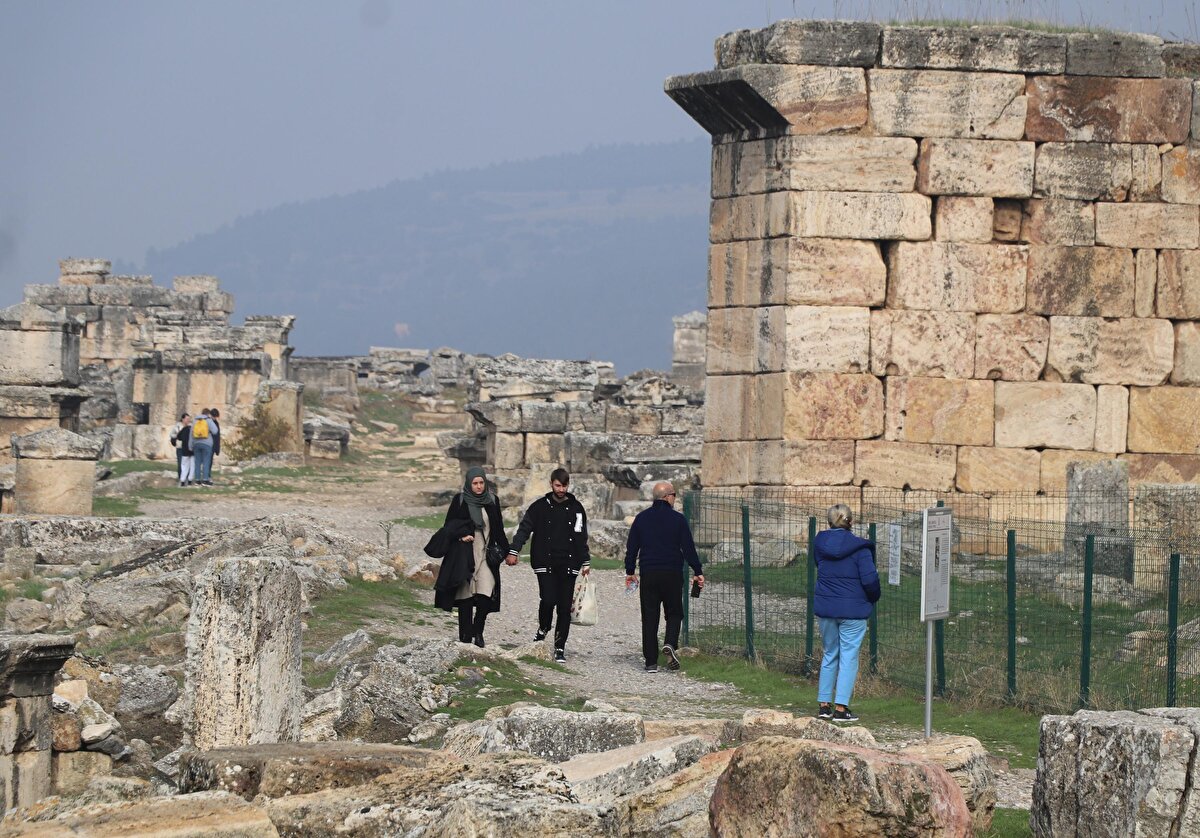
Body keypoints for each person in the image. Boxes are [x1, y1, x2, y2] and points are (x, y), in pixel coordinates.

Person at [508, 468, 590, 663]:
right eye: (558, 485)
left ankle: (560, 646)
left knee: (563, 607)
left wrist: (585, 561)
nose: (561, 489)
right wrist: (514, 550)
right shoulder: (539, 507)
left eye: (564, 486)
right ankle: (543, 627)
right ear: (551, 484)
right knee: (548, 599)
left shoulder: (577, 508)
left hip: (569, 561)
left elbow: (581, 536)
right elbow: (525, 528)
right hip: (545, 561)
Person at [624, 482, 704, 673]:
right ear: (668, 496)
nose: (675, 499)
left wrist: (630, 571)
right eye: (674, 495)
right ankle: (669, 643)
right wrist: (697, 570)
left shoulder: (641, 519)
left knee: (650, 617)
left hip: (649, 573)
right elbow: (688, 548)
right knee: (675, 612)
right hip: (672, 573)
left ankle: (651, 661)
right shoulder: (678, 519)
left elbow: (632, 548)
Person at [813, 503, 881, 724]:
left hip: (827, 608)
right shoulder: (861, 549)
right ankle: (841, 708)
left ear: (829, 522)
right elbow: (870, 580)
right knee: (849, 656)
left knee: (830, 653)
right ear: (851, 522)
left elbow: (819, 566)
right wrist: (872, 598)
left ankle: (824, 705)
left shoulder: (819, 543)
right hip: (853, 610)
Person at [432, 467, 512, 647]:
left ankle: (478, 630)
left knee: (486, 591)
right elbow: (449, 527)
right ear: (469, 483)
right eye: (475, 483)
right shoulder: (460, 501)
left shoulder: (492, 500)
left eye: (481, 483)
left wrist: (509, 552)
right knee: (465, 596)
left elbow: (498, 529)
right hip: (464, 554)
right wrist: (461, 536)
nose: (478, 487)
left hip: (485, 553)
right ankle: (465, 635)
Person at [191, 409, 215, 487]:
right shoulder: (208, 420)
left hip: (196, 443)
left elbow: (191, 434)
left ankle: (197, 480)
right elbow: (215, 431)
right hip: (207, 443)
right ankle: (205, 480)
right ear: (208, 414)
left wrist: (190, 445)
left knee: (197, 462)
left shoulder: (195, 421)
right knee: (206, 462)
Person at [168, 413, 190, 482]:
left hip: (187, 447)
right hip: (180, 447)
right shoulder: (177, 426)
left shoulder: (189, 427)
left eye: (188, 419)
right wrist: (177, 436)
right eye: (187, 419)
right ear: (183, 419)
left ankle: (186, 478)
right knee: (180, 463)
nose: (188, 420)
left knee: (187, 464)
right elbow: (171, 434)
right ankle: (181, 478)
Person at [176, 415, 195, 487]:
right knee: (192, 465)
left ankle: (183, 481)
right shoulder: (193, 429)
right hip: (193, 450)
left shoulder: (184, 429)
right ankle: (190, 480)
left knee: (184, 466)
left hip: (185, 450)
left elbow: (179, 437)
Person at [208, 408, 221, 484]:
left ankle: (206, 477)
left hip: (208, 445)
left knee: (208, 462)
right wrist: (217, 448)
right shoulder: (213, 423)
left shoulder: (208, 422)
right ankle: (207, 477)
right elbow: (217, 436)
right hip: (210, 445)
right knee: (208, 462)